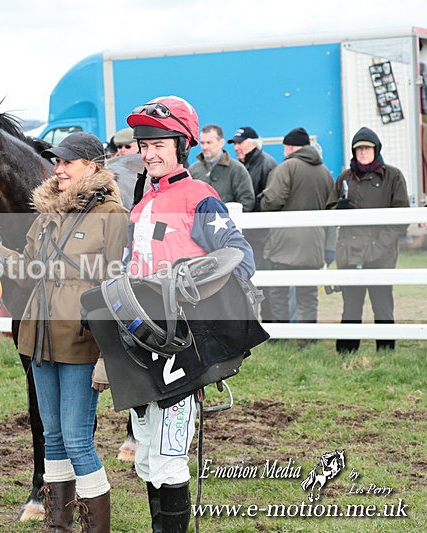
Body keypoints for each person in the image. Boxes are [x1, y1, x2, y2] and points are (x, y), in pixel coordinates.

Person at [0, 132, 128, 531]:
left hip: (80, 342)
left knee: (78, 438)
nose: (58, 169)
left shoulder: (111, 216)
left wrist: (110, 356)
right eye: (56, 162)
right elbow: (25, 267)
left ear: (92, 166)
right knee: (53, 436)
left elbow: (116, 287)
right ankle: (59, 524)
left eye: (67, 162)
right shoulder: (45, 214)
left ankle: (97, 527)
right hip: (38, 338)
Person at [123, 96, 257, 532]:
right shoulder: (139, 208)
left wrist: (188, 280)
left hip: (183, 348)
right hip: (140, 346)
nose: (149, 153)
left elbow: (238, 255)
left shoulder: (200, 196)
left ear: (183, 145)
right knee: (145, 454)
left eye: (159, 143)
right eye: (144, 144)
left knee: (169, 457)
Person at [333, 127, 409, 353]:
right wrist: (339, 208)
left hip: (381, 255)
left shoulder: (393, 176)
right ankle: (346, 351)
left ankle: (386, 351)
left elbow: (401, 217)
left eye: (367, 148)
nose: (363, 152)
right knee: (351, 306)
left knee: (383, 305)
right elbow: (328, 208)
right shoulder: (345, 177)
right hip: (350, 253)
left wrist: (379, 245)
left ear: (376, 150)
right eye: (359, 149)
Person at [260, 127, 335, 334]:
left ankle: (280, 336)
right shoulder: (325, 172)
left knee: (279, 292)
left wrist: (263, 199)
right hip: (314, 243)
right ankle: (308, 338)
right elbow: (332, 209)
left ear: (290, 147)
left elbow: (273, 200)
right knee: (308, 294)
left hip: (285, 242)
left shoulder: (287, 167)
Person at [228, 126, 278, 321]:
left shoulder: (266, 164)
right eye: (236, 144)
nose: (237, 148)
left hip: (260, 236)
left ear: (253, 144)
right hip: (249, 235)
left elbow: (267, 200)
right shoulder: (246, 165)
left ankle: (269, 321)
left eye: (241, 143)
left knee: (262, 280)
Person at [189, 124, 255, 211]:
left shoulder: (237, 169)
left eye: (209, 142)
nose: (204, 147)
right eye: (202, 143)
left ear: (221, 142)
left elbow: (247, 201)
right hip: (198, 223)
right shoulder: (193, 170)